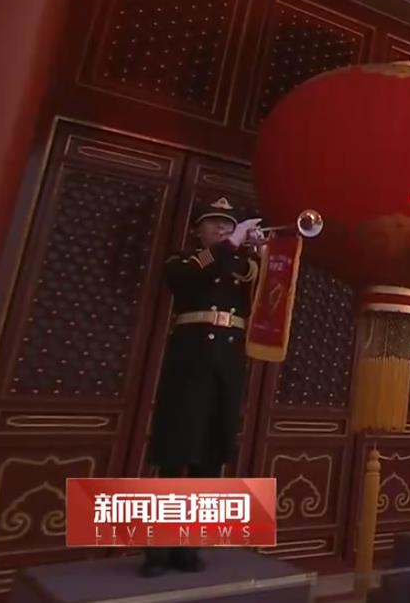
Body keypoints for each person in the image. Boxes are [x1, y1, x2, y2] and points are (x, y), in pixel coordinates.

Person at [142, 197, 261, 577]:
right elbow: (184, 279)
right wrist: (231, 244)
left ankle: (188, 546)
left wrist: (261, 251)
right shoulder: (182, 260)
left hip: (228, 363)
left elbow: (272, 294)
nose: (223, 229)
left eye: (229, 225)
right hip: (189, 363)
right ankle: (157, 550)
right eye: (214, 223)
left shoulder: (245, 266)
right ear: (198, 231)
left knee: (210, 457)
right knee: (175, 454)